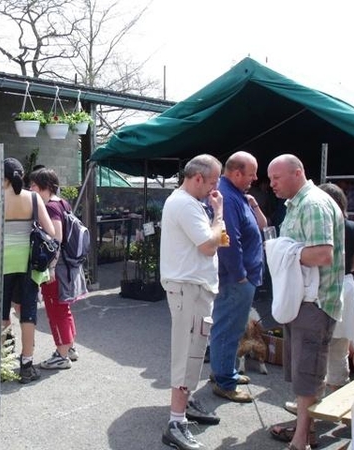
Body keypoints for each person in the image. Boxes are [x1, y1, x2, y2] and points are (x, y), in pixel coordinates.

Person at [267, 155, 344, 450]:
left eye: (276, 177)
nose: (271, 183)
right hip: (305, 301)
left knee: (308, 373)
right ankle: (304, 429)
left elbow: (323, 254)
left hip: (315, 302)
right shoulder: (299, 203)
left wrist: (283, 252)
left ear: (297, 173)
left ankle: (301, 439)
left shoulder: (313, 203)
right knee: (304, 372)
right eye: (270, 178)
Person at [282, 183, 354, 419]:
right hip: (346, 286)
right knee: (339, 347)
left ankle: (314, 407)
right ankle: (336, 404)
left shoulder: (315, 222)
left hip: (319, 290)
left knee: (315, 353)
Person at [160, 154, 224, 450]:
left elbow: (212, 242)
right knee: (187, 352)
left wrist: (214, 221)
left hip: (192, 288)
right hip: (188, 288)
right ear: (197, 178)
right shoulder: (185, 203)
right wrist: (219, 214)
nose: (215, 188)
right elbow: (210, 245)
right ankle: (176, 421)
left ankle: (183, 408)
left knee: (194, 351)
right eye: (212, 181)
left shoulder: (187, 202)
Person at [0, 157, 55, 384]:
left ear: (1, 177)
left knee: (3, 313)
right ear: (22, 176)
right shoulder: (33, 198)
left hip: (3, 263)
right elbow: (50, 231)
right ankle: (27, 363)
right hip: (29, 264)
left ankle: (2, 362)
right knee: (28, 313)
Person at [209, 151, 266, 403]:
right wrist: (240, 274)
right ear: (236, 173)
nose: (255, 178)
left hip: (239, 276)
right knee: (229, 328)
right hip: (236, 278)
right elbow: (228, 239)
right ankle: (224, 381)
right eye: (251, 173)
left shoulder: (234, 194)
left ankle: (224, 371)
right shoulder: (228, 197)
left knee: (230, 327)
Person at [28, 168, 84, 370]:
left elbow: (56, 238)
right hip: (67, 265)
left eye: (34, 185)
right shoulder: (62, 203)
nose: (31, 188)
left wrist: (50, 268)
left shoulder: (50, 207)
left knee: (55, 310)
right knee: (64, 309)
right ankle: (68, 348)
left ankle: (61, 355)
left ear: (44, 186)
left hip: (56, 267)